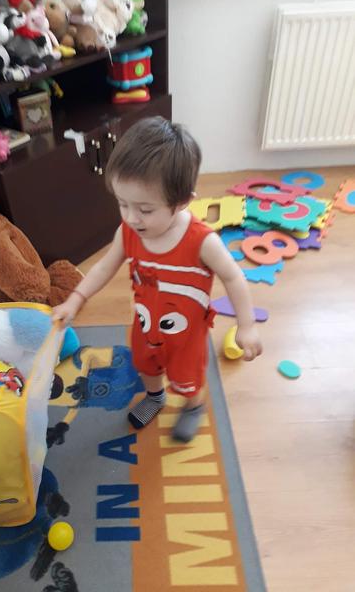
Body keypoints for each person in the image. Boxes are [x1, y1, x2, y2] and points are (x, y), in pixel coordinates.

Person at [52, 116, 262, 442]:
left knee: (186, 378)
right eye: (123, 204)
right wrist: (76, 299)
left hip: (185, 336)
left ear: (182, 202)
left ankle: (192, 405)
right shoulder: (128, 232)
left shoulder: (202, 242)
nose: (131, 217)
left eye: (145, 210)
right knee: (145, 365)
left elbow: (233, 278)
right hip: (145, 324)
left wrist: (246, 325)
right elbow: (104, 267)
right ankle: (155, 396)